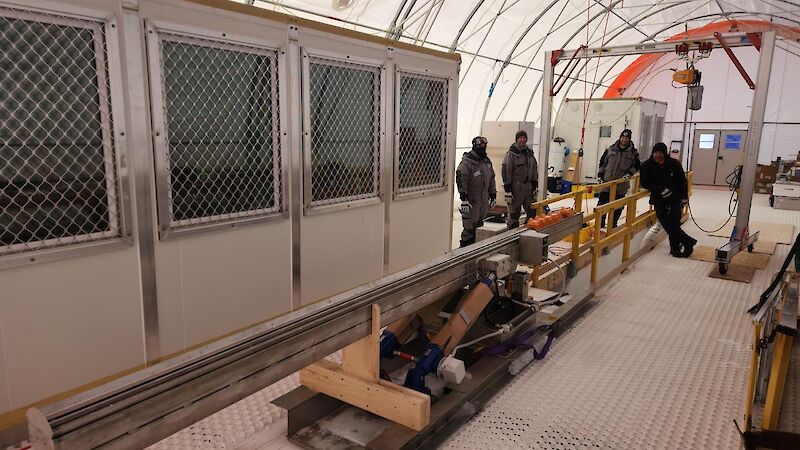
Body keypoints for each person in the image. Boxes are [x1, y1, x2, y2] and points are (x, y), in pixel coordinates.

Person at [640, 142, 697, 257]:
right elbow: (644, 183)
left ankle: (675, 249)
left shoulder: (674, 164)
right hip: (658, 199)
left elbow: (682, 182)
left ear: (664, 154)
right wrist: (659, 189)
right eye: (656, 153)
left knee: (675, 222)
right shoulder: (647, 165)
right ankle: (687, 240)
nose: (658, 156)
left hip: (674, 198)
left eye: (660, 153)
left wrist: (684, 197)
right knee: (666, 223)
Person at [456, 136, 497, 247]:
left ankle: (475, 257)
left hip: (482, 202)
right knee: (469, 232)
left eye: (484, 145)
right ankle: (464, 256)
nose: (483, 148)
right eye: (480, 146)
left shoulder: (486, 162)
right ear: (474, 146)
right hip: (470, 203)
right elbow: (461, 179)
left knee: (479, 229)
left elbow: (492, 178)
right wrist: (463, 198)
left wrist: (493, 195)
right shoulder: (467, 163)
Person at [597, 129, 640, 229]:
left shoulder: (633, 153)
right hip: (607, 183)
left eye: (626, 138)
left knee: (618, 207)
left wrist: (629, 174)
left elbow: (636, 166)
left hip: (621, 185)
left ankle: (612, 225)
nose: (624, 139)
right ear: (620, 138)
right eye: (623, 137)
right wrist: (600, 175)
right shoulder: (610, 149)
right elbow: (603, 163)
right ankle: (600, 225)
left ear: (629, 139)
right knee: (602, 205)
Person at [502, 130, 538, 229]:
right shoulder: (511, 154)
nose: (522, 140)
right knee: (514, 214)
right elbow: (506, 171)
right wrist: (508, 190)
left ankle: (528, 234)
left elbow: (534, 169)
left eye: (524, 138)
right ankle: (512, 237)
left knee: (532, 212)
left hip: (528, 187)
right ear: (517, 139)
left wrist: (535, 186)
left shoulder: (529, 154)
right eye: (520, 138)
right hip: (516, 188)